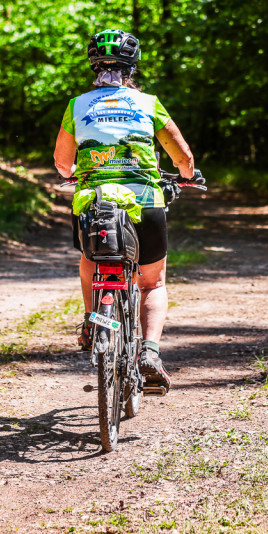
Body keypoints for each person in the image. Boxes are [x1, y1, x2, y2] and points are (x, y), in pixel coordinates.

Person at [53, 29, 196, 393]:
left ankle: (91, 320)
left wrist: (73, 174)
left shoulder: (78, 105)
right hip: (144, 201)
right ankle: (148, 351)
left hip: (93, 201)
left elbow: (62, 162)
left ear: (93, 65)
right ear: (133, 66)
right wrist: (186, 175)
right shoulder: (148, 104)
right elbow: (183, 157)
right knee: (153, 282)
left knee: (91, 258)